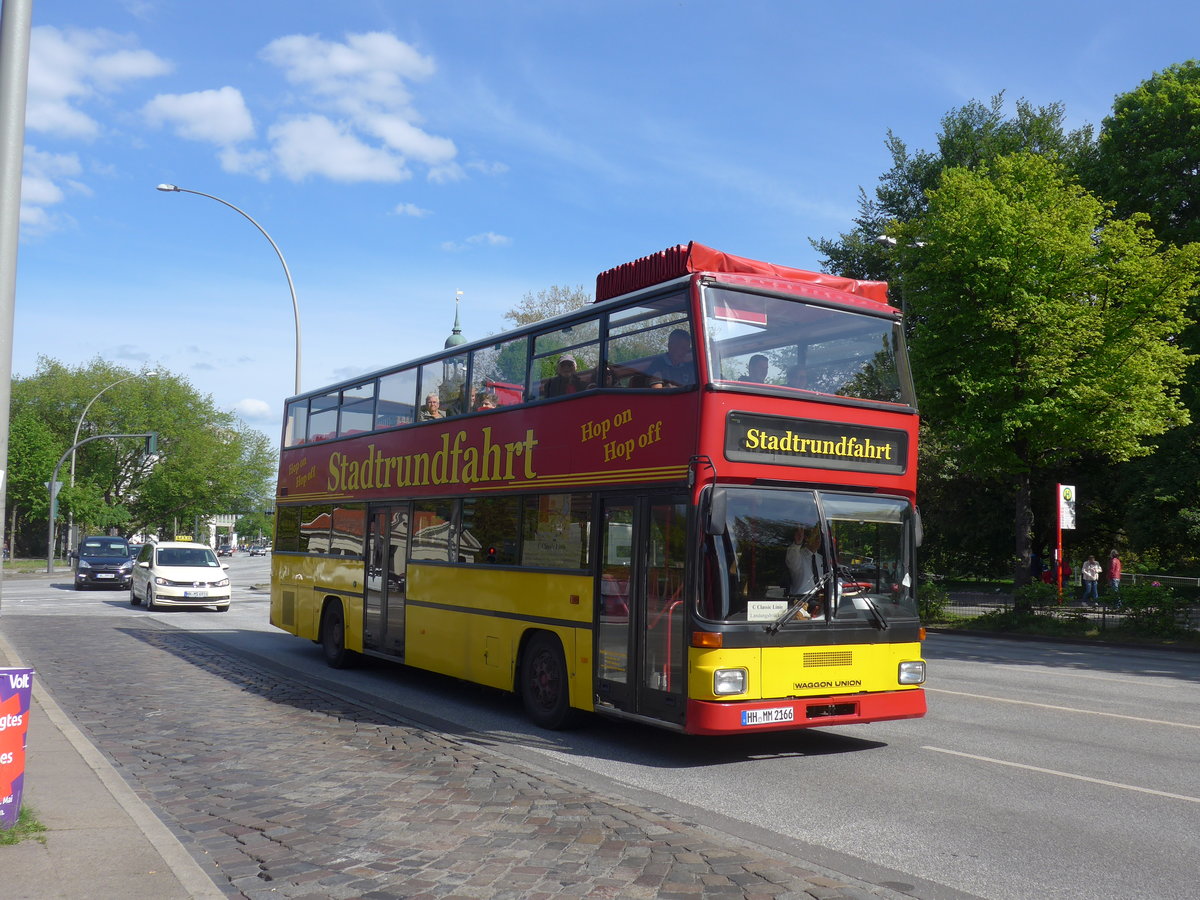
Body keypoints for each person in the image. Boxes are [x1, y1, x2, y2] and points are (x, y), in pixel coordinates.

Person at [785, 526, 826, 614]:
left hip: (821, 600)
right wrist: (797, 543)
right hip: (801, 601)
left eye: (820, 538)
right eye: (815, 537)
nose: (818, 540)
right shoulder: (798, 555)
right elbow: (792, 556)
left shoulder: (822, 559)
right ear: (806, 538)